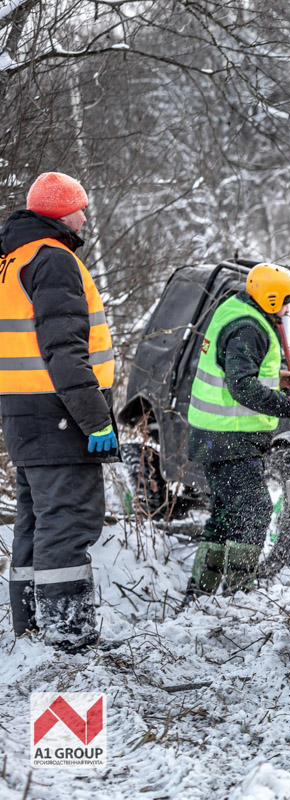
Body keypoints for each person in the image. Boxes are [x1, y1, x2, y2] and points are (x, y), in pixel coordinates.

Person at [0, 172, 118, 651]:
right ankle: (70, 638)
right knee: (68, 520)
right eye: (78, 208)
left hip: (23, 414)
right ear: (57, 214)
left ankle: (30, 630)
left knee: (35, 521)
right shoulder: (53, 260)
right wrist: (96, 419)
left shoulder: (12, 260)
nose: (85, 217)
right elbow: (65, 351)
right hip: (59, 412)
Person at [186, 264, 290, 596]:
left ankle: (202, 593)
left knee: (225, 514)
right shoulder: (248, 327)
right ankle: (240, 592)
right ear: (270, 299)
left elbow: (237, 370)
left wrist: (277, 379)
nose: (288, 307)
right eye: (286, 300)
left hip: (215, 434)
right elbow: (241, 387)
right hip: (230, 436)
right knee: (255, 510)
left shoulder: (237, 309)